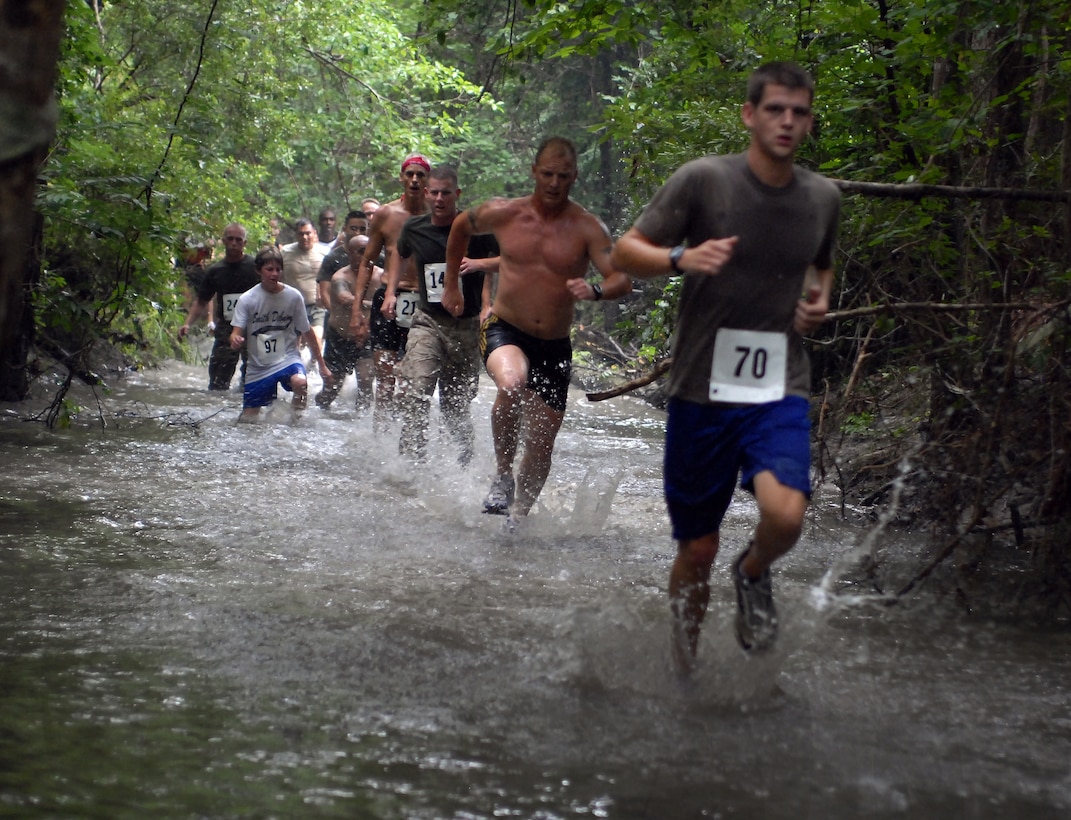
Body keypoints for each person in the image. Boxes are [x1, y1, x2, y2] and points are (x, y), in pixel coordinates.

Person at [610, 61, 841, 664]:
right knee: (697, 548)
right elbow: (626, 252)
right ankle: (685, 666)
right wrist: (681, 257)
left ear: (810, 122)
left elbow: (821, 263)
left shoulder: (822, 197)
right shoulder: (704, 181)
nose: (787, 122)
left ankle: (755, 569)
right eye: (775, 110)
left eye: (799, 112)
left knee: (786, 514)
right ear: (749, 115)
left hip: (777, 383)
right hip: (701, 389)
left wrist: (818, 300)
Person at [442, 137, 632, 524]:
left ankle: (518, 519)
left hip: (555, 344)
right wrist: (450, 284)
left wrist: (595, 290)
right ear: (534, 171)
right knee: (511, 383)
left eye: (563, 176)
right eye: (547, 173)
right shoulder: (504, 213)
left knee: (542, 444)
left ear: (574, 176)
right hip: (505, 328)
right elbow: (460, 225)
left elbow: (621, 280)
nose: (554, 183)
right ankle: (501, 475)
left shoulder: (587, 228)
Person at [393, 165, 499, 464]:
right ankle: (411, 465)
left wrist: (480, 267)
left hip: (466, 326)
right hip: (428, 320)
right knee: (418, 390)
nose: (440, 199)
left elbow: (512, 260)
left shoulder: (478, 229)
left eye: (446, 193)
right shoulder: (414, 228)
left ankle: (463, 464)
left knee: (455, 405)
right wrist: (390, 292)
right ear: (426, 193)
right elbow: (399, 257)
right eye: (435, 193)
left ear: (457, 194)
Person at [349, 154, 432, 429]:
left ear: (427, 181)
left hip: (425, 302)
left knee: (415, 380)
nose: (415, 180)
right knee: (385, 378)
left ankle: (410, 440)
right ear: (402, 178)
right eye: (410, 174)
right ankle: (381, 442)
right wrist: (357, 309)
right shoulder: (386, 214)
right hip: (389, 300)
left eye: (420, 175)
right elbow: (367, 262)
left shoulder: (438, 214)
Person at [229, 246, 333, 423]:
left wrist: (322, 366)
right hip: (259, 365)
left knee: (301, 383)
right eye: (269, 269)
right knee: (249, 420)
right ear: (258, 270)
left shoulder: (293, 297)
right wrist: (235, 340)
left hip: (287, 358)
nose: (275, 274)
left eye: (278, 269)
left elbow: (307, 332)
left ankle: (296, 422)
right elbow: (235, 333)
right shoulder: (248, 299)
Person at [178, 223, 259, 390]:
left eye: (238, 239)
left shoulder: (255, 267)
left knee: (253, 380)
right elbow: (201, 300)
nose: (234, 243)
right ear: (223, 241)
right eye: (230, 239)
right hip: (225, 329)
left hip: (254, 328)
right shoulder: (215, 270)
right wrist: (187, 323)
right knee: (217, 383)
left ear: (244, 243)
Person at [315, 234, 376, 411]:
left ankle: (361, 424)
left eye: (369, 251)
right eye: (361, 251)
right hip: (339, 337)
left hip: (366, 338)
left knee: (365, 382)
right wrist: (373, 304)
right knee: (331, 390)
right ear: (349, 253)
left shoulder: (380, 276)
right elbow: (343, 297)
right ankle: (315, 413)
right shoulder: (339, 276)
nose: (367, 255)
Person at [281, 218, 327, 348]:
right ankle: (299, 367)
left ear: (314, 233)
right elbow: (278, 276)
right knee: (294, 346)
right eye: (301, 234)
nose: (305, 237)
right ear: (296, 235)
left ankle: (314, 365)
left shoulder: (324, 252)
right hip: (292, 305)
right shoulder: (285, 252)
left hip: (317, 305)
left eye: (308, 233)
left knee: (316, 340)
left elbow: (332, 278)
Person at [316, 210, 369, 311]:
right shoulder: (332, 258)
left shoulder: (377, 257)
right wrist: (336, 316)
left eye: (362, 229)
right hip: (338, 314)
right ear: (345, 229)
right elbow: (324, 292)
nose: (358, 233)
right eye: (353, 228)